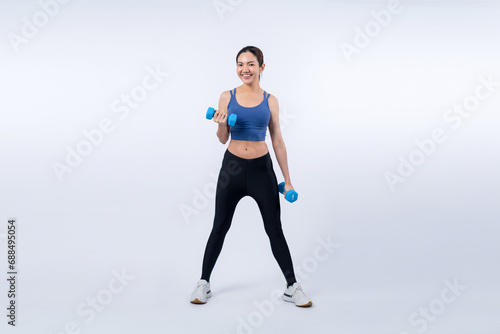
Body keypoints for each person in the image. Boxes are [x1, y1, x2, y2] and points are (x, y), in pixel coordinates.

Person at [190, 46, 312, 307]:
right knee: (220, 226)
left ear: (261, 67)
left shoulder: (271, 100)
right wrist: (222, 123)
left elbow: (277, 140)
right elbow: (223, 139)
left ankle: (292, 286)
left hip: (261, 170)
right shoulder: (227, 96)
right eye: (240, 64)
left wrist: (287, 179)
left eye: (251, 64)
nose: (244, 69)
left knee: (274, 229)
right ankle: (203, 283)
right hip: (231, 169)